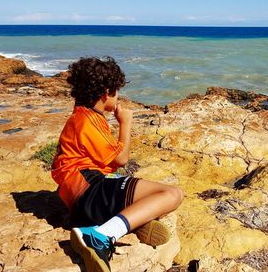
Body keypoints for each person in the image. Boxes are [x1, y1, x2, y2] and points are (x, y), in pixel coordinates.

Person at [51, 57, 184, 272]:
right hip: (89, 189)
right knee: (172, 194)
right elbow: (121, 159)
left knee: (147, 204)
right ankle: (101, 235)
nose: (118, 96)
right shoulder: (87, 121)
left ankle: (120, 225)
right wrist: (126, 122)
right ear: (106, 91)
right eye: (117, 91)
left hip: (81, 201)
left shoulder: (82, 116)